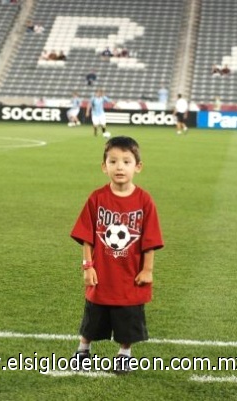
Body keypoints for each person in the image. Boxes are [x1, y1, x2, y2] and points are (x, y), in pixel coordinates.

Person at [70, 136, 163, 374]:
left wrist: (148, 269)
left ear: (137, 167)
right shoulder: (97, 198)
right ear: (104, 167)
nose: (119, 167)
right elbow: (87, 236)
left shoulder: (145, 201)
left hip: (131, 274)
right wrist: (88, 266)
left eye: (126, 161)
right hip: (103, 273)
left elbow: (150, 240)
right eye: (113, 161)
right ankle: (83, 350)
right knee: (93, 316)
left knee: (128, 316)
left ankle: (124, 354)